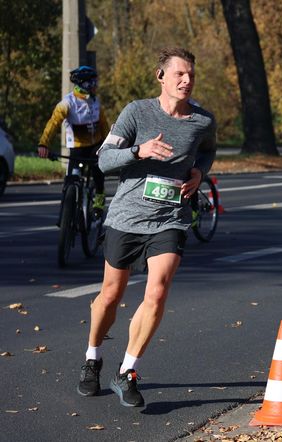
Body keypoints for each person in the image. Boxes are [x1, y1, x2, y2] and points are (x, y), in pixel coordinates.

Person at [76, 47, 216, 407]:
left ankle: (127, 372)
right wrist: (139, 151)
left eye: (191, 75)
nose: (186, 81)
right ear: (161, 77)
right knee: (111, 295)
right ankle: (93, 358)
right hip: (127, 216)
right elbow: (104, 160)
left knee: (157, 292)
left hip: (171, 217)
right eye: (179, 74)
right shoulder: (137, 112)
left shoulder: (203, 120)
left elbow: (207, 151)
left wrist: (200, 171)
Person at [38, 66, 110, 214]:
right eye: (93, 82)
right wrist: (44, 143)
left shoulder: (95, 102)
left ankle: (99, 199)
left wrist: (110, 145)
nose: (96, 85)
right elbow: (53, 123)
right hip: (76, 148)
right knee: (71, 179)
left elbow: (104, 126)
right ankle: (66, 211)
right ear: (85, 84)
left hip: (95, 146)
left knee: (98, 172)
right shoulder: (68, 103)